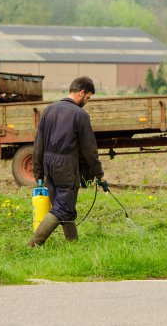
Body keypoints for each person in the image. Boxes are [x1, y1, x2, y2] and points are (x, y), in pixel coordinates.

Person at [27, 76, 105, 247]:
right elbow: (90, 151)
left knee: (64, 205)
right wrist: (99, 174)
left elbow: (38, 144)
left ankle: (73, 246)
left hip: (48, 163)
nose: (87, 101)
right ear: (82, 92)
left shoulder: (49, 110)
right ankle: (33, 244)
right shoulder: (80, 115)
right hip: (66, 165)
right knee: (62, 208)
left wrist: (39, 172)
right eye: (88, 98)